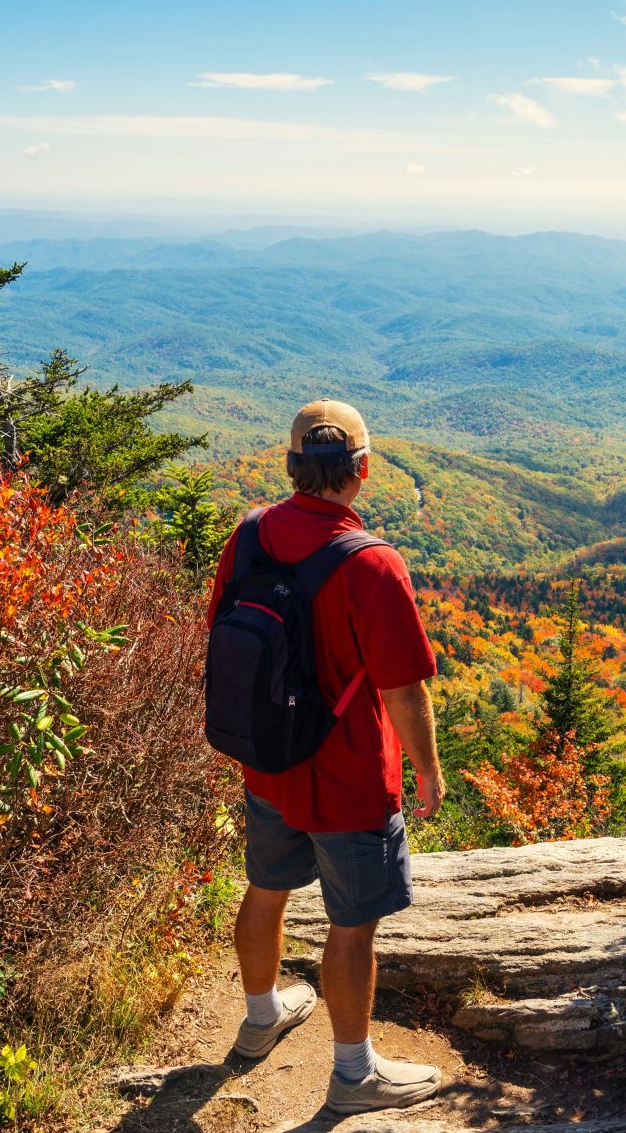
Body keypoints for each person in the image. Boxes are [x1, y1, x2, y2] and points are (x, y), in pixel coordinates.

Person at [203, 399, 448, 1112]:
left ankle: (259, 1020)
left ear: (290, 467)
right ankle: (353, 1075)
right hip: (347, 780)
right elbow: (403, 690)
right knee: (351, 925)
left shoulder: (248, 535)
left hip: (267, 763)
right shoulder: (372, 564)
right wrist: (427, 771)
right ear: (362, 471)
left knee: (266, 888)